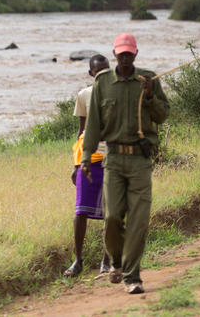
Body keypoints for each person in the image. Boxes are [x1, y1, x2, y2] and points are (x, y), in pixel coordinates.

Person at [80, 33, 169, 295]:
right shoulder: (103, 82)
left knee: (139, 221)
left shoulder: (148, 79)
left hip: (140, 160)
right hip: (114, 160)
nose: (126, 57)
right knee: (112, 217)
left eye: (130, 53)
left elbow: (163, 116)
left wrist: (151, 95)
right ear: (115, 54)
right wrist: (85, 158)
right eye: (121, 53)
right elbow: (94, 123)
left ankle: (132, 275)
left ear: (136, 54)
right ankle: (116, 261)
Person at [64, 54, 112, 278]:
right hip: (88, 159)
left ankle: (106, 259)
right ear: (91, 74)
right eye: (98, 71)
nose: (103, 74)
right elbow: (80, 132)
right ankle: (77, 260)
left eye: (106, 70)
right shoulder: (83, 95)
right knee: (80, 211)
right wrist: (75, 164)